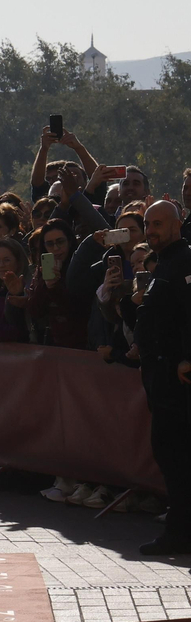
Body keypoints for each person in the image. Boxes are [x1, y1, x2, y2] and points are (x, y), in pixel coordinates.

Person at [135, 201, 191, 555]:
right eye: (147, 224)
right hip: (160, 374)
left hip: (177, 378)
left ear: (177, 223)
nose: (151, 230)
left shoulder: (185, 261)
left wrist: (187, 357)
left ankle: (179, 533)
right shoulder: (164, 263)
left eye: (158, 223)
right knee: (171, 456)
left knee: (177, 456)